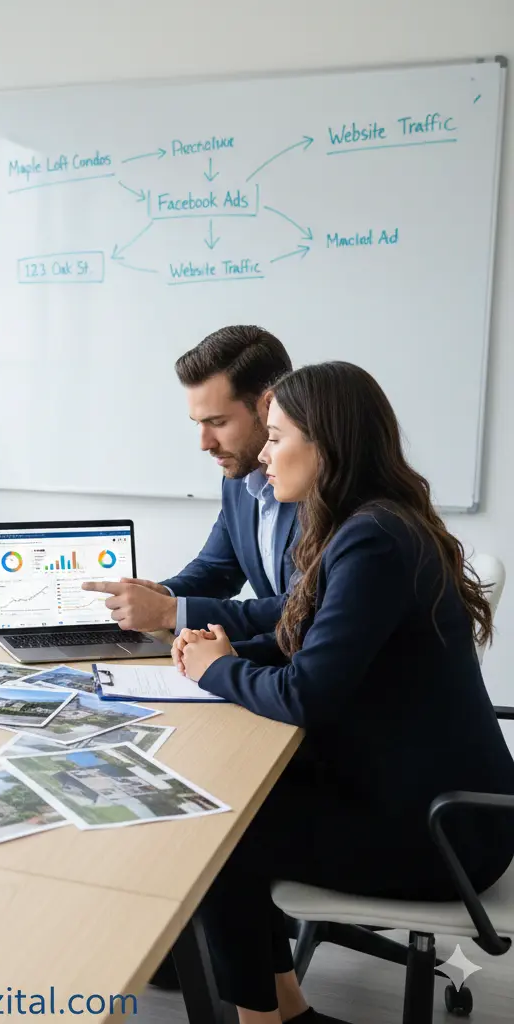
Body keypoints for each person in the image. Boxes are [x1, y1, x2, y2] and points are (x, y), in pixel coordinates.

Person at [173, 362, 514, 1024]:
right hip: (421, 795)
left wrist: (217, 670)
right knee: (234, 802)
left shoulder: (375, 540)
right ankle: (286, 1010)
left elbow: (306, 694)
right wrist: (221, 655)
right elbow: (311, 641)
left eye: (276, 438)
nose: (264, 457)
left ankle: (262, 1019)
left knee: (218, 833)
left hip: (445, 833)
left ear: (325, 444)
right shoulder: (366, 524)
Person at [84, 325, 298, 640]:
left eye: (218, 422)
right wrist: (163, 595)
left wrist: (170, 611)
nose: (204, 443)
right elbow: (216, 570)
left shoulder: (324, 491)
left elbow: (303, 610)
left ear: (269, 406)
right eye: (198, 423)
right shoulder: (240, 481)